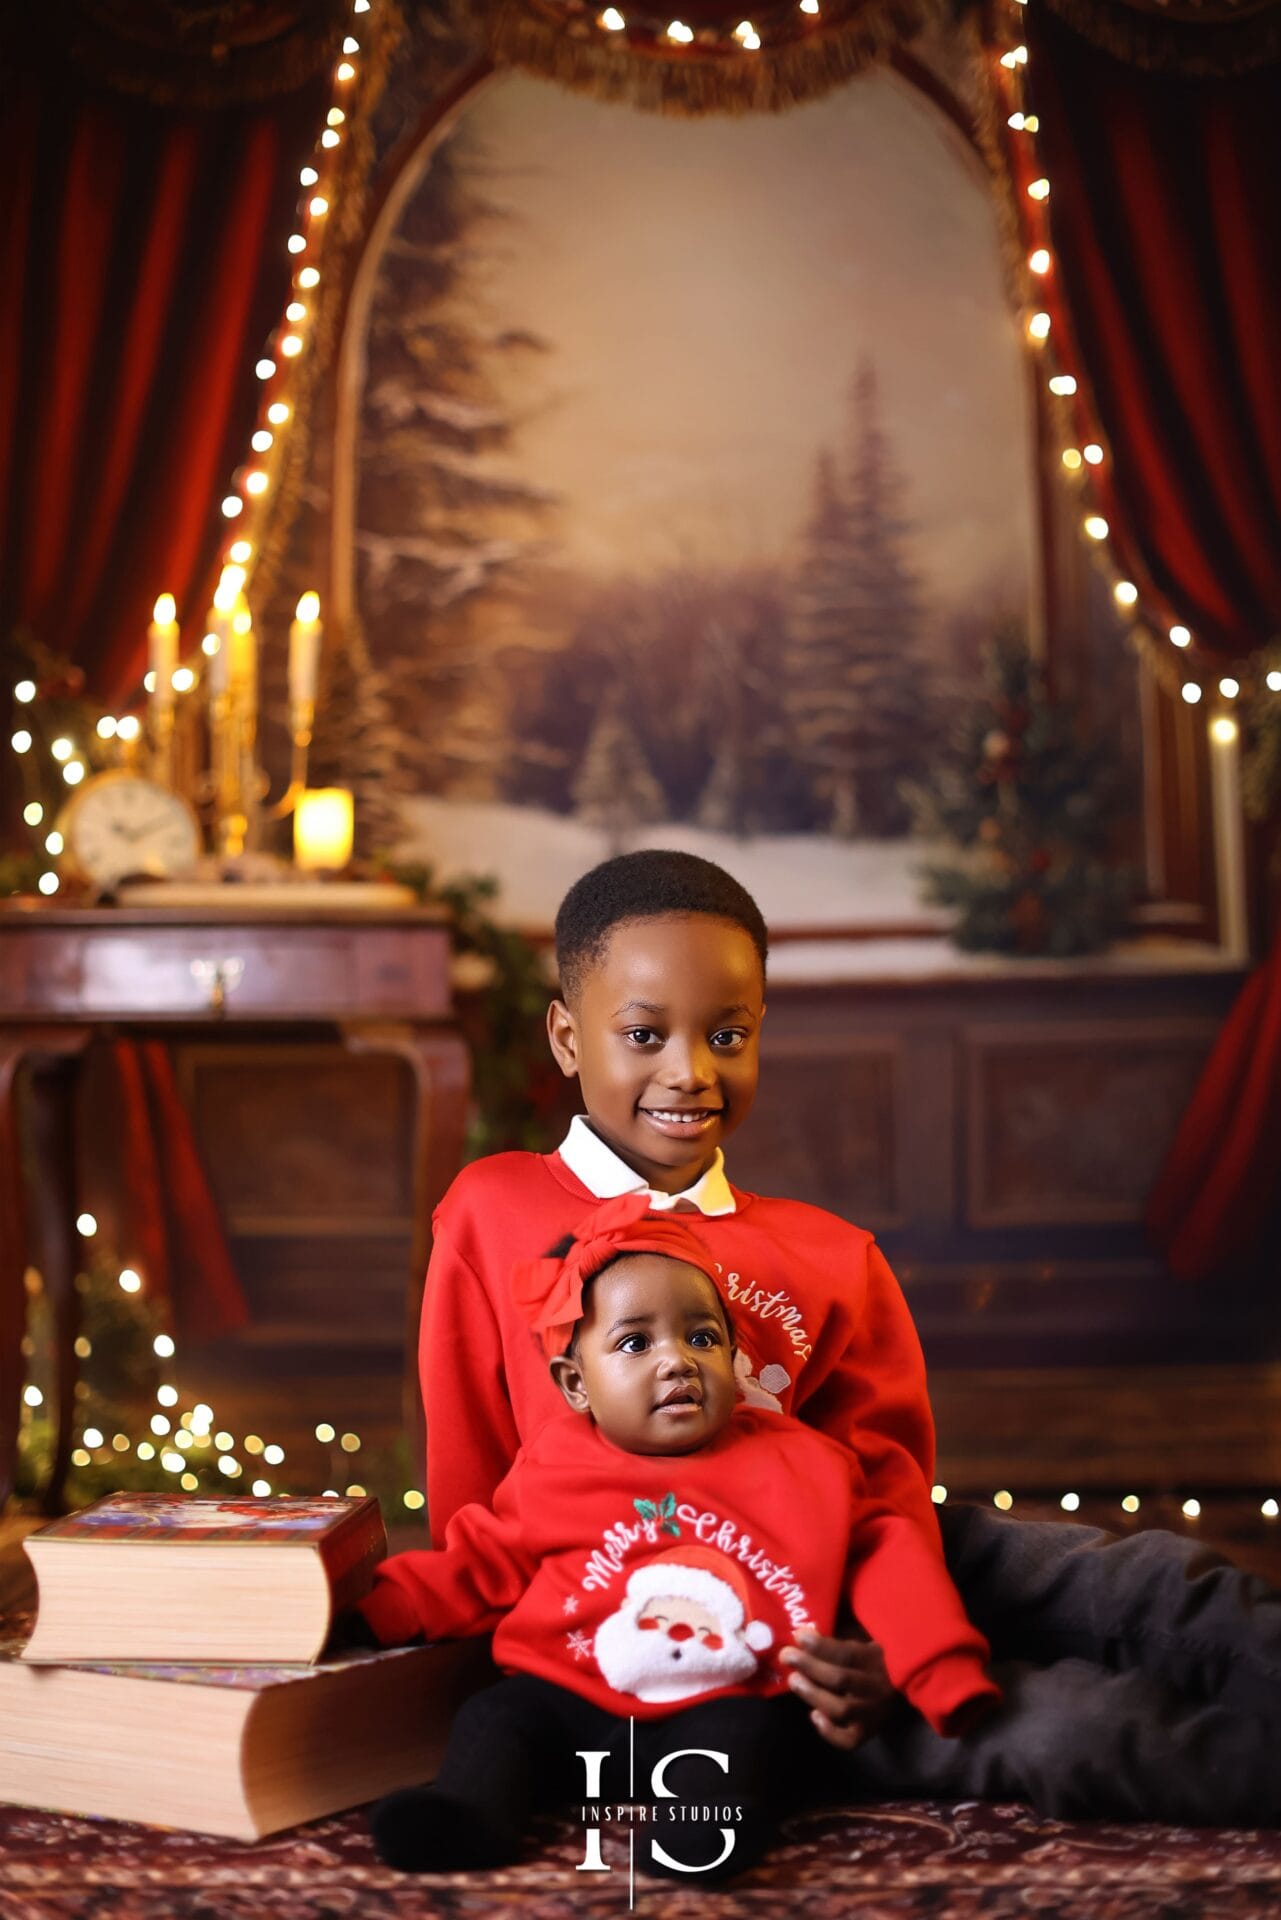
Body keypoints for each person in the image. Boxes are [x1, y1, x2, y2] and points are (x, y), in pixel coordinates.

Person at [417, 848, 1281, 1825]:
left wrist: (893, 1630)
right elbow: (471, 1484)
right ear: (568, 1038)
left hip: (866, 1565)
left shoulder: (830, 1252)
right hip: (703, 1642)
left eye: (727, 1034)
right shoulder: (489, 1213)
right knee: (1077, 1730)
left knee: (1146, 1579)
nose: (690, 1072)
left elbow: (885, 1485)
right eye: (646, 1034)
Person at [352, 1198, 1000, 1877]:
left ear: (733, 1353)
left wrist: (938, 1670)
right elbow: (478, 1561)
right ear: (575, 1385)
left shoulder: (804, 1464)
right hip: (571, 1705)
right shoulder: (552, 1467)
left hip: (725, 1698)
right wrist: (370, 1609)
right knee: (494, 1718)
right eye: (635, 1343)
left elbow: (889, 1559)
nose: (676, 1362)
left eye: (701, 1338)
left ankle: (701, 1836)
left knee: (750, 1742)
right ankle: (472, 1818)